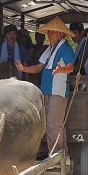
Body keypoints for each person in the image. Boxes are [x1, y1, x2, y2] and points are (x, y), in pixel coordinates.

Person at [15, 17, 75, 166]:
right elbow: (39, 67)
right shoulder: (51, 48)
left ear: (61, 34)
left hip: (58, 91)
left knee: (54, 126)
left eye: (53, 32)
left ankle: (56, 158)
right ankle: (62, 156)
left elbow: (71, 67)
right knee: (54, 125)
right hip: (47, 90)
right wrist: (24, 69)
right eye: (49, 31)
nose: (50, 34)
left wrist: (62, 70)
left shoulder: (65, 48)